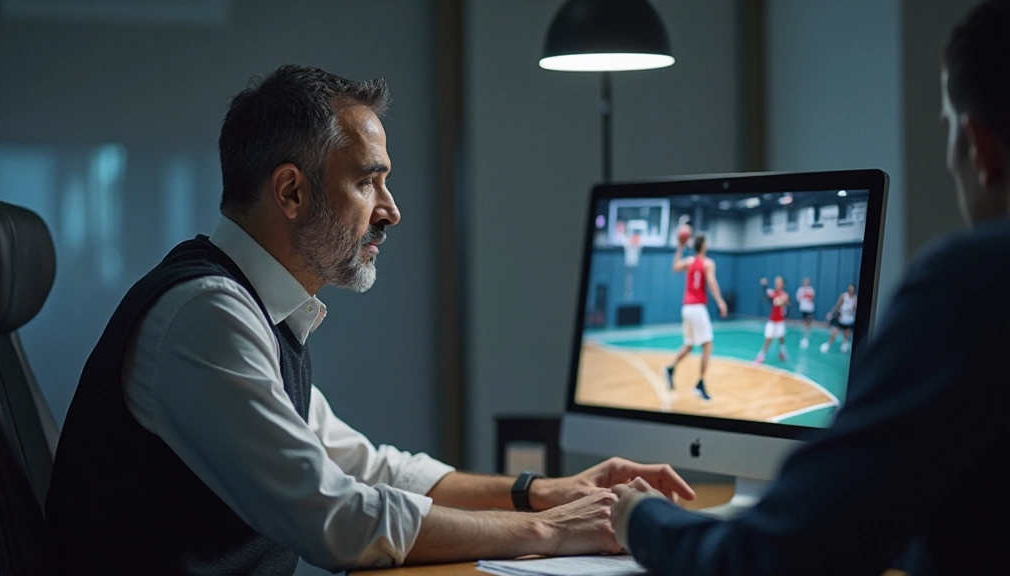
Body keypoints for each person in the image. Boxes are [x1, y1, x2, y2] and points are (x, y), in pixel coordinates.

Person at [45, 65, 696, 575]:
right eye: (368, 182)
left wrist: (542, 492)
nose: (391, 210)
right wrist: (551, 532)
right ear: (291, 192)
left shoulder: (254, 311)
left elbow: (369, 470)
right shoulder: (208, 316)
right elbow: (337, 518)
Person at [609, 1, 1010, 574]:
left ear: (980, 148)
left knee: (711, 348)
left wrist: (638, 517)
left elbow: (771, 559)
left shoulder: (970, 284)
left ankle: (687, 376)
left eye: (947, 131)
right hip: (704, 314)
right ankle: (687, 374)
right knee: (709, 347)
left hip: (696, 507)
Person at [664, 233, 728, 401]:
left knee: (689, 345)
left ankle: (670, 368)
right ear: (704, 246)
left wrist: (680, 247)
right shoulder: (708, 263)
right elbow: (711, 283)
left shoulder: (689, 261)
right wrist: (720, 301)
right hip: (698, 308)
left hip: (686, 308)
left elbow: (675, 267)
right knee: (707, 345)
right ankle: (700, 384)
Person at [754, 276, 790, 364]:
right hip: (772, 321)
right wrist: (764, 286)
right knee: (768, 338)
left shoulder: (784, 294)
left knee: (781, 337)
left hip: (780, 321)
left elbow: (780, 301)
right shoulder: (772, 292)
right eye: (776, 282)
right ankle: (761, 356)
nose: (777, 283)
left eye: (779, 282)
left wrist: (781, 300)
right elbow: (767, 296)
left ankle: (781, 351)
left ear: (783, 284)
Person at [820, 284, 857, 353]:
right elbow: (837, 305)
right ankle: (828, 344)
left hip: (849, 321)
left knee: (846, 334)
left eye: (852, 290)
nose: (850, 291)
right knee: (834, 333)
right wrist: (831, 313)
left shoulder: (855, 300)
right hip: (841, 319)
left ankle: (844, 345)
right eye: (849, 289)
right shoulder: (843, 296)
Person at [796, 277, 816, 348]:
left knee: (809, 320)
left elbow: (812, 298)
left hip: (809, 308)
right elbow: (798, 298)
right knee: (804, 321)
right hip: (803, 308)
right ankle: (804, 333)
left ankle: (808, 331)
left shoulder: (811, 289)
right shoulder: (800, 289)